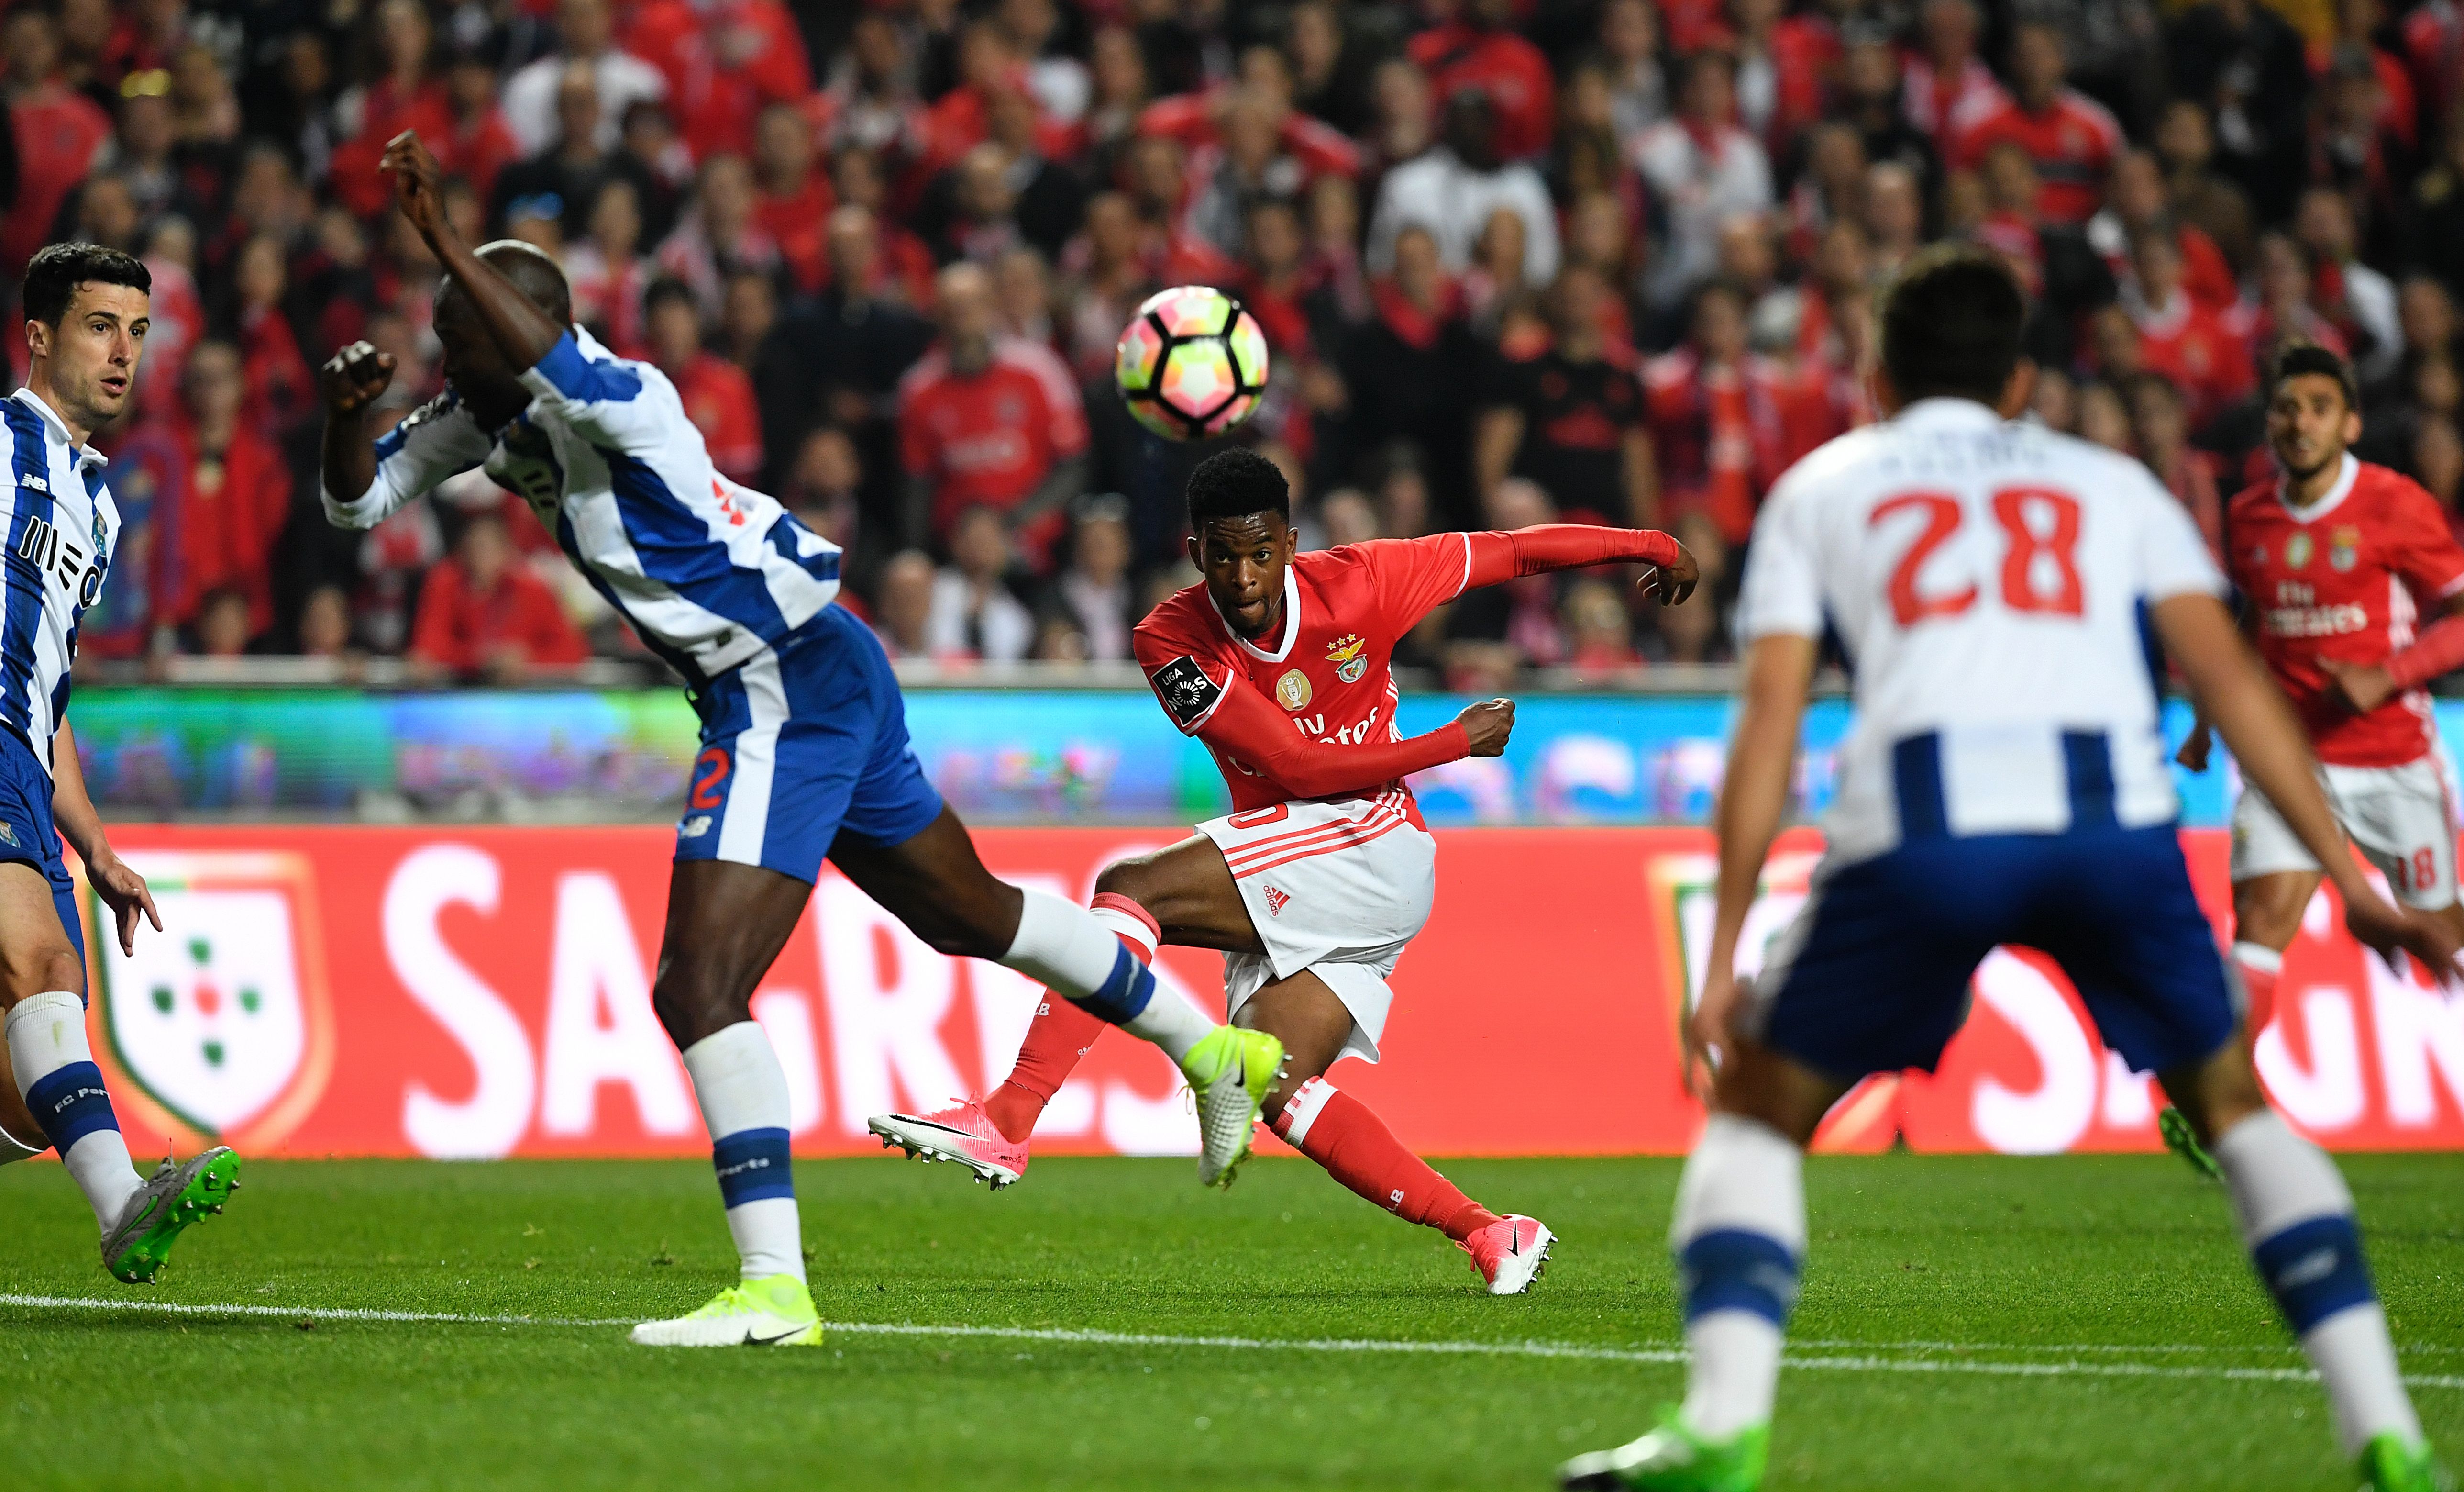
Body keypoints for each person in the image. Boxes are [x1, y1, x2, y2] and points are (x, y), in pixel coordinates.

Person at [320, 133, 1285, 1349]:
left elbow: (541, 350)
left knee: (699, 985)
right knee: (968, 914)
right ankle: (1212, 1050)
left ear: (524, 322)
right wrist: (345, 417)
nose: (445, 364)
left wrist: (443, 235)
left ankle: (774, 1287)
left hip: (780, 678)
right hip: (822, 660)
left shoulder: (624, 397)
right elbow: (358, 499)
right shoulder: (484, 416)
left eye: (465, 336)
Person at [1558, 247, 2456, 1492]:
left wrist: (1721, 962)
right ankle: (2388, 1432)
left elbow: (1769, 721)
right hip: (2112, 823)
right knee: (2234, 1106)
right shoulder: (2116, 486)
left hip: (1925, 828)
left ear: (1876, 373)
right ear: (2023, 377)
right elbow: (2236, 685)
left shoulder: (1827, 485)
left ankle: (1720, 1424)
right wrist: (2358, 888)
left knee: (1762, 1103)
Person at [870, 447, 1702, 1294]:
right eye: (1223, 555)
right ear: (1196, 552)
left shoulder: (1367, 580)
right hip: (1321, 840)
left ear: (1291, 542)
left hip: (1369, 839)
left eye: (1261, 552)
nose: (1243, 575)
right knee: (1282, 1089)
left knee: (1132, 886)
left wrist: (1652, 544)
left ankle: (1010, 1116)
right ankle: (1491, 1231)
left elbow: (1515, 551)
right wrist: (1455, 743)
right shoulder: (1169, 639)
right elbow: (1297, 766)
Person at [0, 242, 240, 1281]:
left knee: (22, 1094)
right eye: (101, 326)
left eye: (138, 333)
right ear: (42, 336)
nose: (123, 353)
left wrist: (94, 840)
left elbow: (51, 695)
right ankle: (125, 1208)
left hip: (20, 760)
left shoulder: (95, 506)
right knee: (40, 971)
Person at [2167, 344, 2464, 1171]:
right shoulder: (2253, 514)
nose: (2300, 422)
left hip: (2394, 759)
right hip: (2287, 760)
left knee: (2441, 935)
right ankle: (2217, 1108)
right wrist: (2205, 721)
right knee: (2262, 920)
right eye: (2287, 407)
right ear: (2271, 420)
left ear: (2351, 422)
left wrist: (2390, 675)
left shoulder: (2395, 505)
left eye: (2319, 407)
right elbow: (2255, 622)